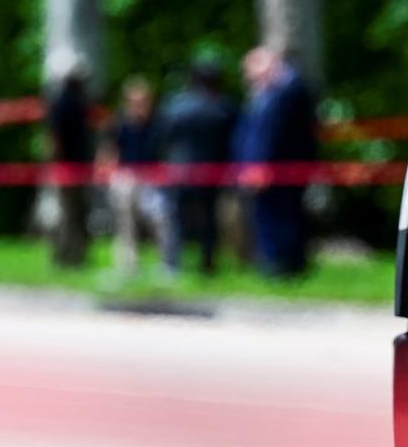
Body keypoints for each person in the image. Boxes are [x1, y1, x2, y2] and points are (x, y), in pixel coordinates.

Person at [239, 47, 318, 276]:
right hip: (269, 167)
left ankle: (286, 265)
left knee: (285, 216)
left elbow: (273, 134)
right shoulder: (268, 92)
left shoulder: (289, 90)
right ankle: (276, 263)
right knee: (272, 215)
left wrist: (261, 165)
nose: (249, 77)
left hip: (281, 168)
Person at [159, 60, 237, 273]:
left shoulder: (177, 105)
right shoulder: (223, 107)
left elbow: (164, 136)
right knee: (209, 219)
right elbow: (232, 142)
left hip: (180, 171)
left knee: (175, 218)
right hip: (211, 172)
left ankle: (172, 264)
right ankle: (208, 263)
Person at [101, 76, 172, 276]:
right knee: (125, 221)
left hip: (152, 177)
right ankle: (128, 265)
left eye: (143, 101)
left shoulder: (159, 124)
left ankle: (166, 263)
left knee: (161, 219)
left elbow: (165, 152)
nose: (139, 105)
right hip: (126, 176)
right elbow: (109, 150)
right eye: (134, 101)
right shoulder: (118, 123)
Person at [44, 49, 94, 268]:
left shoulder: (71, 102)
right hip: (69, 166)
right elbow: (56, 138)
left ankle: (70, 253)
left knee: (72, 210)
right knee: (71, 211)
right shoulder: (67, 103)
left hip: (74, 165)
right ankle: (67, 254)